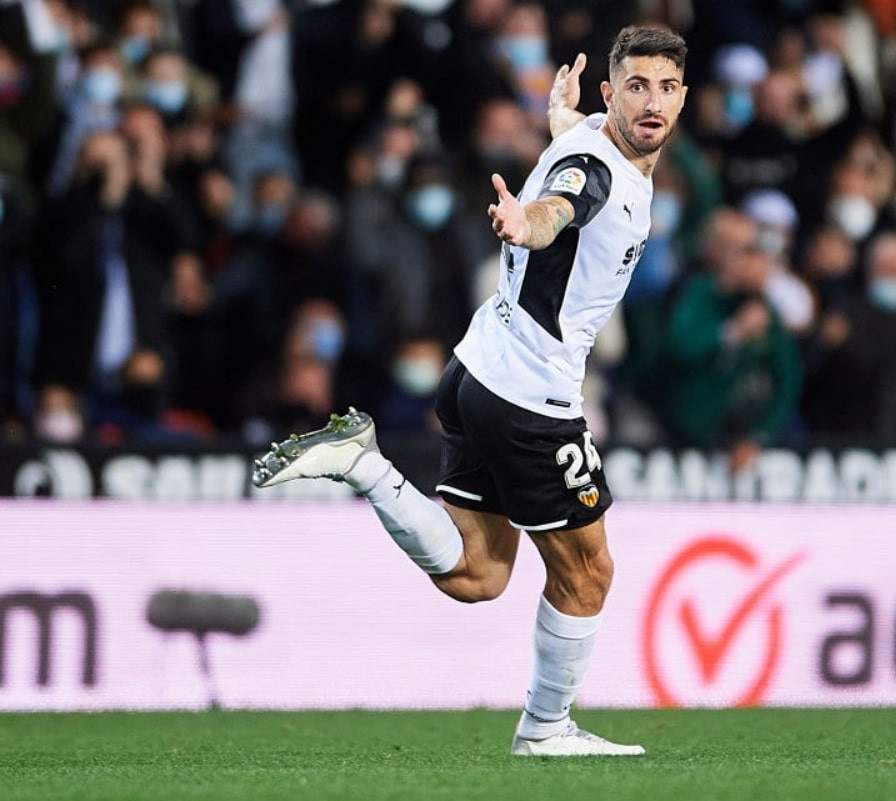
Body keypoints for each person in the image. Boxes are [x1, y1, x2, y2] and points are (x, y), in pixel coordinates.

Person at [249, 25, 689, 757]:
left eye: (666, 87)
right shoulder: (599, 171)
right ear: (611, 93)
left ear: (681, 97)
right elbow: (564, 204)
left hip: (478, 370)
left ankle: (365, 464)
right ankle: (545, 729)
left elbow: (575, 155)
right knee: (588, 573)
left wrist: (560, 117)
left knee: (476, 574)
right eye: (636, 86)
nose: (653, 102)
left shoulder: (587, 134)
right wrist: (528, 222)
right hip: (531, 397)